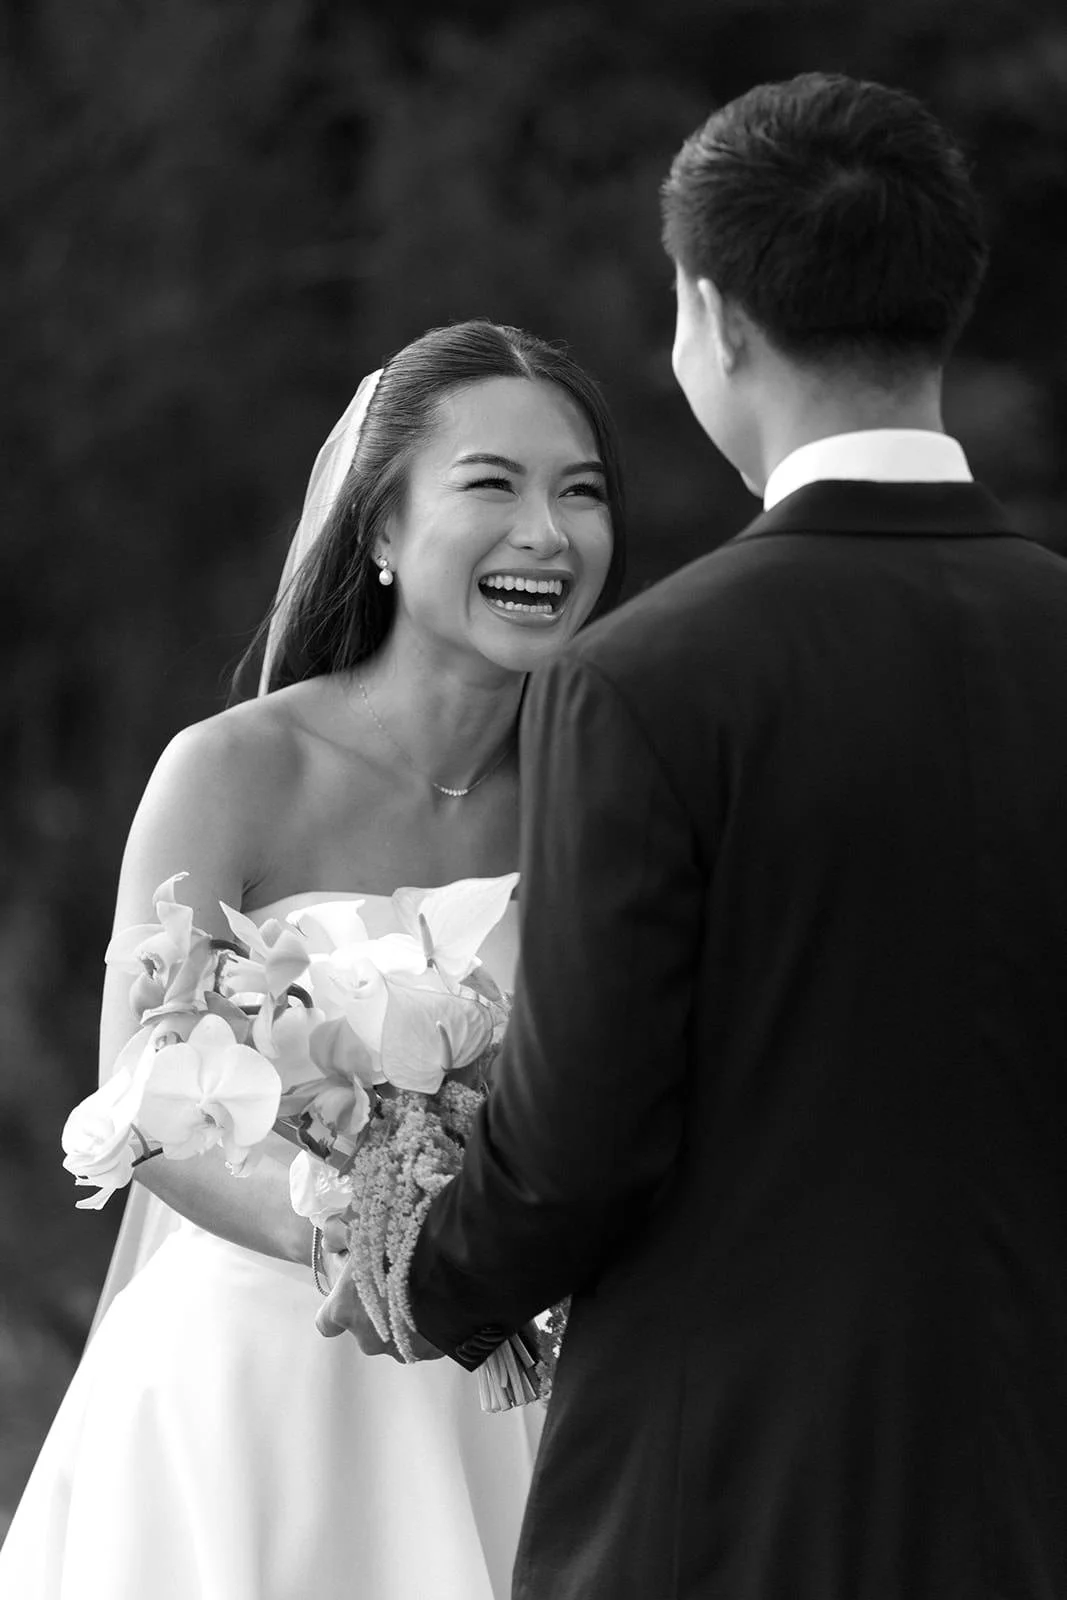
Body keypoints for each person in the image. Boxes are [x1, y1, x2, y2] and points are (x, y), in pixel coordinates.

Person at [345, 74, 1067, 1599]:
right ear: (943, 298)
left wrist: (420, 1270)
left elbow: (577, 1146)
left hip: (722, 1498)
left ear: (712, 318)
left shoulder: (644, 680)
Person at [0, 320, 623, 1600]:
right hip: (242, 1389)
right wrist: (357, 1237)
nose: (546, 535)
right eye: (492, 484)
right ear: (380, 527)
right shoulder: (232, 768)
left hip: (497, 1398)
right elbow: (139, 1094)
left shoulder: (606, 794)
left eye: (580, 492)